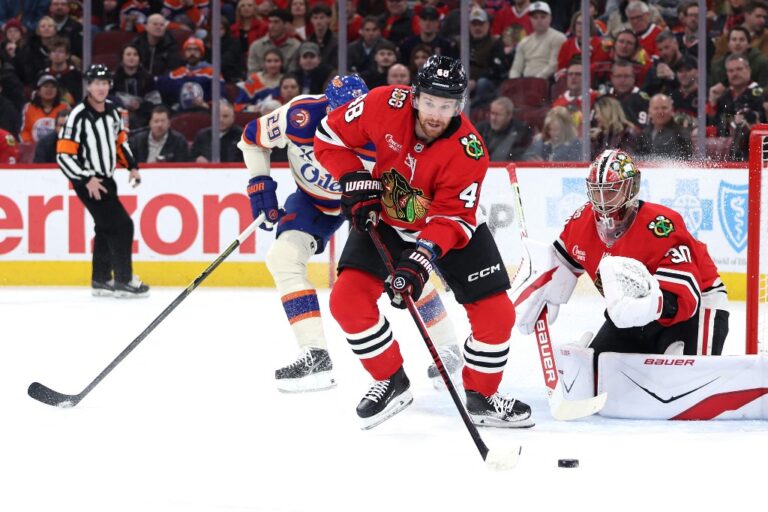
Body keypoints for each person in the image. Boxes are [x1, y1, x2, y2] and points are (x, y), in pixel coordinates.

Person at [314, 56, 532, 429]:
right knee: (347, 301)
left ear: (459, 106)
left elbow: (450, 218)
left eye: (446, 106)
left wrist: (421, 259)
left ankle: (481, 395)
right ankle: (390, 379)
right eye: (430, 102)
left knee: (497, 315)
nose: (436, 113)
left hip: (451, 228)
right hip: (388, 217)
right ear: (415, 96)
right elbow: (328, 137)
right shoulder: (382, 103)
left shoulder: (469, 150)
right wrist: (352, 177)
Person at [239, 73, 462, 393]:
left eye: (355, 112)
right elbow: (251, 139)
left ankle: (448, 347)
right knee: (282, 257)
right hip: (312, 202)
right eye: (338, 111)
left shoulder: (392, 132)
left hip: (376, 203)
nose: (347, 122)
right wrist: (259, 183)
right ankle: (314, 354)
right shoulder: (298, 115)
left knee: (405, 269)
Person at [512, 149, 728, 381]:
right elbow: (562, 262)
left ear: (631, 188)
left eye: (612, 191)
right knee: (597, 374)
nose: (604, 201)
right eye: (598, 192)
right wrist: (539, 285)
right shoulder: (581, 221)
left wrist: (647, 307)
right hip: (628, 316)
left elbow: (687, 296)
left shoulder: (661, 226)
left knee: (688, 379)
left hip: (697, 308)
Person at [56, 64, 150, 298]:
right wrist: (86, 179)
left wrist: (132, 167)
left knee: (105, 227)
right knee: (122, 225)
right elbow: (64, 155)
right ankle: (124, 279)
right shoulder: (78, 115)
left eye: (104, 83)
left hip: (106, 178)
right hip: (89, 181)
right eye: (96, 83)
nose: (100, 87)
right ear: (88, 85)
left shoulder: (113, 111)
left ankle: (100, 278)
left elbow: (120, 142)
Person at [635, 93, 693, 160]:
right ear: (649, 111)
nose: (660, 112)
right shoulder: (643, 134)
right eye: (656, 108)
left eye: (664, 108)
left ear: (672, 110)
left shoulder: (681, 134)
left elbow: (686, 161)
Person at [475, 96, 531, 161]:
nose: (493, 118)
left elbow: (517, 157)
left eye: (498, 114)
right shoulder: (481, 129)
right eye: (492, 113)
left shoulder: (521, 132)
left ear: (509, 115)